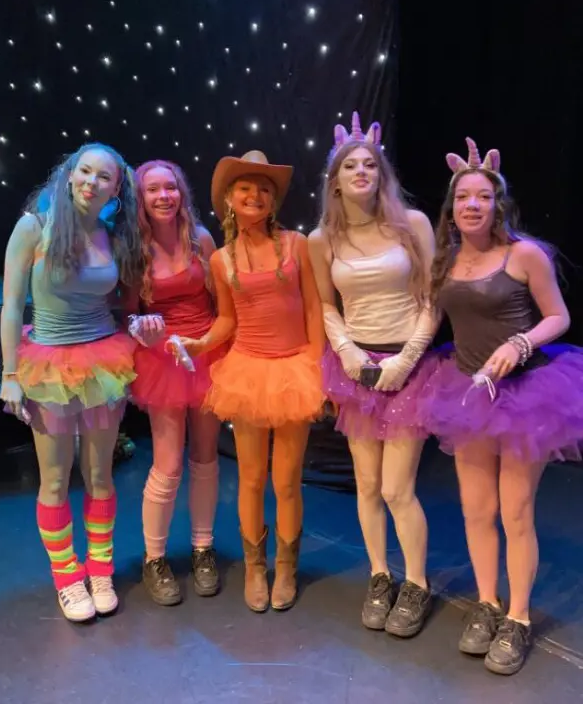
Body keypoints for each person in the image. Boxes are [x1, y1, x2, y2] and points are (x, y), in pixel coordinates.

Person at [420, 137, 583, 675]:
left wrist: (520, 343)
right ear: (451, 207)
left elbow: (558, 316)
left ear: (498, 203)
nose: (472, 205)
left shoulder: (523, 254)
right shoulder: (446, 260)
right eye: (463, 197)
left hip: (526, 394)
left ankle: (518, 617)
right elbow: (430, 318)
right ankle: (487, 603)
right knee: (476, 510)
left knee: (515, 512)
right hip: (468, 390)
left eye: (483, 197)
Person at [0, 143, 155, 622]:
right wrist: (9, 374)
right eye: (84, 171)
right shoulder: (34, 227)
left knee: (101, 475)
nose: (92, 182)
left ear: (116, 188)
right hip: (48, 366)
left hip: (102, 363)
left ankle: (100, 569)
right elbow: (11, 307)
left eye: (103, 177)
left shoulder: (113, 233)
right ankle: (67, 577)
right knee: (54, 478)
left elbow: (124, 302)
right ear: (69, 175)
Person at [308, 112, 439, 638]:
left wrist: (407, 358)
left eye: (370, 164)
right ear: (335, 180)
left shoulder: (414, 225)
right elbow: (326, 303)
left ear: (381, 174)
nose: (361, 171)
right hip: (357, 369)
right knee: (366, 485)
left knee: (396, 488)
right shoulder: (322, 238)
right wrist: (344, 351)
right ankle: (380, 575)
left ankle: (417, 583)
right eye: (350, 165)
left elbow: (432, 299)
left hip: (410, 366)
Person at [180, 150, 325, 612]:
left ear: (273, 200)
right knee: (251, 476)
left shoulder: (297, 245)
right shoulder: (221, 259)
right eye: (245, 187)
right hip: (247, 370)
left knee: (287, 480)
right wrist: (203, 343)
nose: (255, 195)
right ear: (229, 198)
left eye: (264, 188)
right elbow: (227, 318)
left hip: (294, 368)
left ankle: (286, 567)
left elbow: (314, 307)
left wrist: (316, 365)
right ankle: (255, 567)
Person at [126, 160, 224, 605]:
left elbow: (221, 305)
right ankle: (155, 558)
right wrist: (141, 329)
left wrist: (208, 343)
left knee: (205, 457)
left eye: (171, 187)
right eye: (153, 189)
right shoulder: (135, 250)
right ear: (141, 198)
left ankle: (203, 549)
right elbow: (129, 314)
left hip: (206, 354)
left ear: (181, 193)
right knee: (167, 464)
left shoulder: (201, 239)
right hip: (163, 360)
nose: (164, 196)